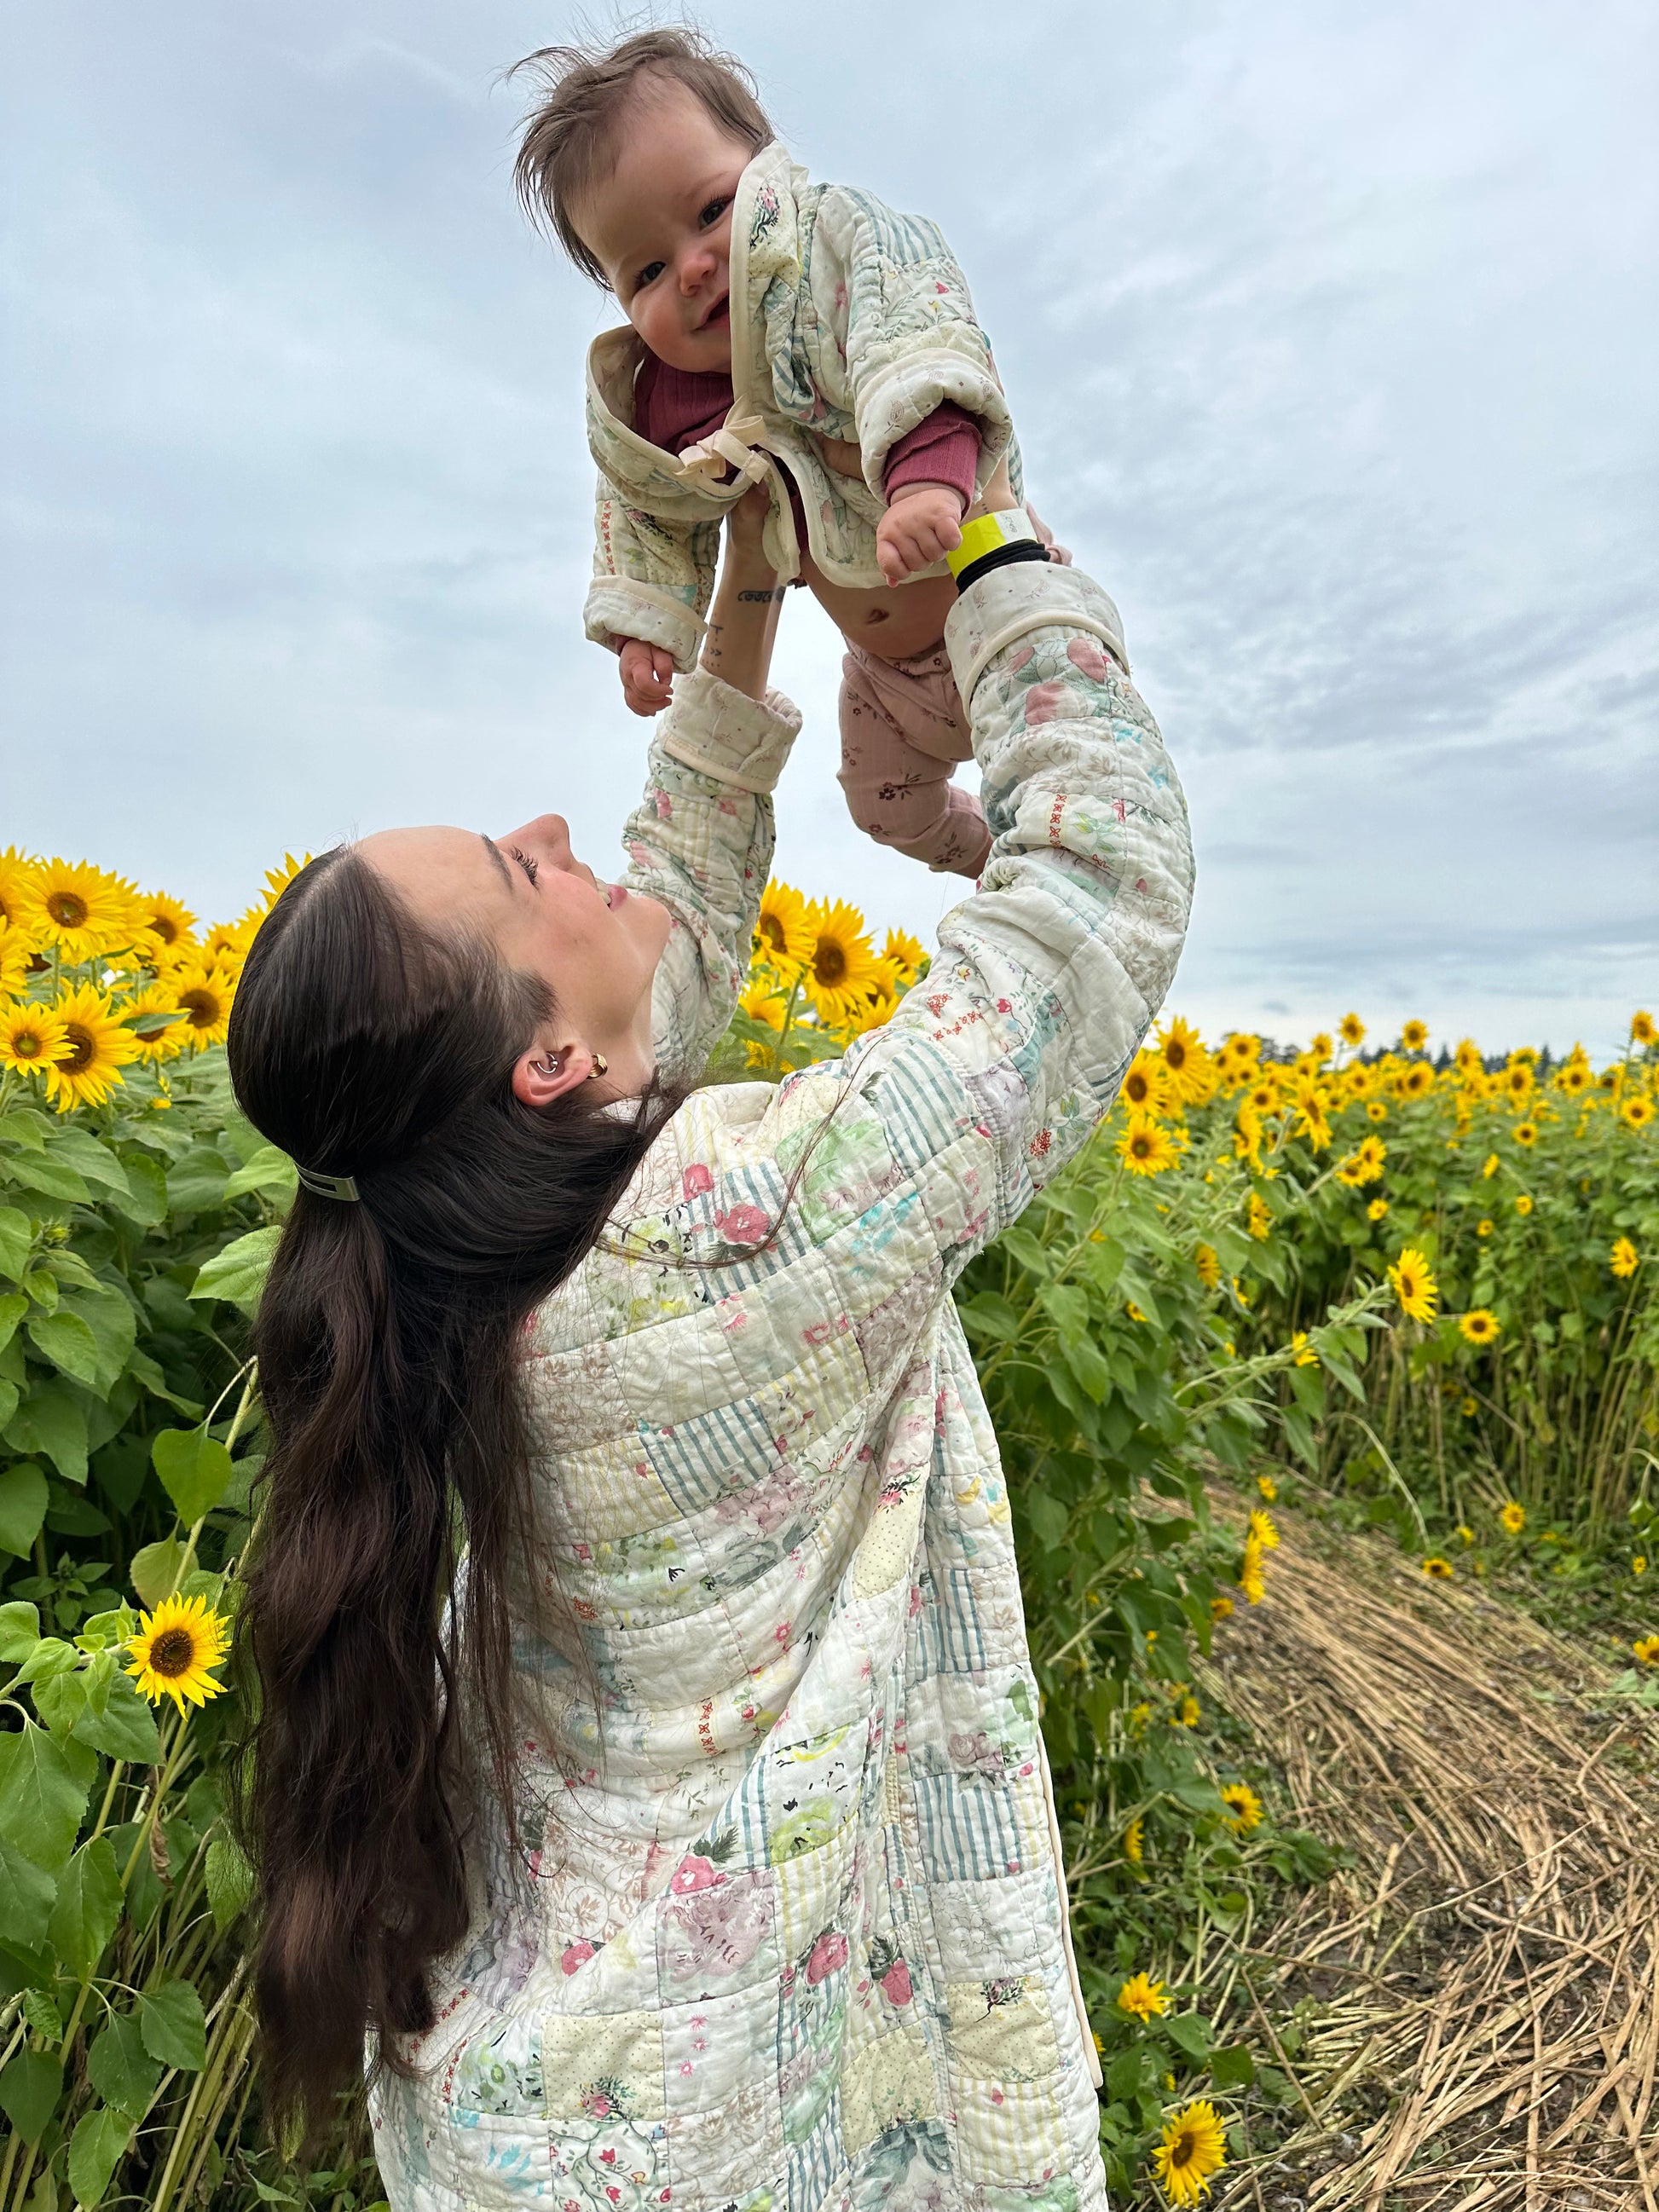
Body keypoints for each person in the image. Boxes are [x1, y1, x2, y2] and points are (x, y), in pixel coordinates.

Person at [226, 480, 1193, 2212]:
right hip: (750, 2101)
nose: (550, 826)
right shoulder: (746, 1225)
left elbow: (662, 910)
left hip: (560, 2087)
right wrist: (995, 551)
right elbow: (1090, 903)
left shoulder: (453, 1242)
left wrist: (746, 583)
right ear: (532, 1068)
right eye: (522, 871)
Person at [513, 26, 1070, 881]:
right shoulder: (665, 397)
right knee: (880, 801)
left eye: (710, 213)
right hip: (883, 677)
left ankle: (1044, 859)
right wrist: (645, 628)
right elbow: (646, 505)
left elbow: (918, 341)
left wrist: (927, 479)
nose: (692, 269)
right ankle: (981, 853)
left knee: (1055, 775)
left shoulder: (838, 264)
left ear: (769, 173)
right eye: (646, 271)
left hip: (989, 610)